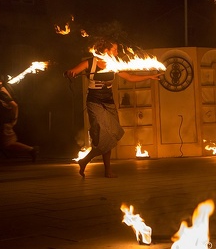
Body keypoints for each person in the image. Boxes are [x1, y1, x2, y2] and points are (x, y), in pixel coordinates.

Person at [64, 38, 163, 178]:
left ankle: (94, 164)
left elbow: (129, 76)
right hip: (94, 102)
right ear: (106, 50)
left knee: (112, 135)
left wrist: (150, 76)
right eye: (115, 50)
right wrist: (70, 73)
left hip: (109, 102)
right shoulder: (90, 63)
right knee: (104, 134)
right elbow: (73, 71)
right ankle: (98, 166)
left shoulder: (114, 64)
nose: (117, 53)